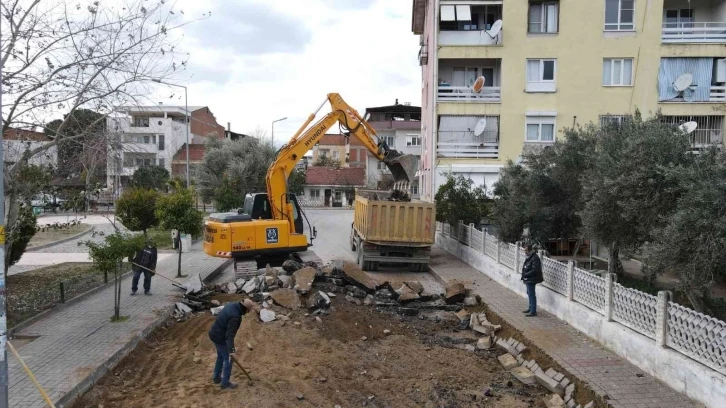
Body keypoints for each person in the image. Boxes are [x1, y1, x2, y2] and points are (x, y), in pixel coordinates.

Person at [208, 298, 257, 389]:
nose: (248, 312)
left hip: (214, 333)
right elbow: (229, 335)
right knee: (229, 359)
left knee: (221, 356)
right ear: (245, 308)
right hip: (220, 337)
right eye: (249, 310)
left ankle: (216, 377)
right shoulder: (235, 317)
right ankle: (225, 383)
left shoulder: (232, 305)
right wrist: (232, 350)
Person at [521, 244, 543, 317]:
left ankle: (533, 311)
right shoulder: (530, 257)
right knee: (529, 293)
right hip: (528, 278)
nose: (525, 252)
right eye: (525, 250)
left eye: (526, 250)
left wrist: (526, 274)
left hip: (532, 278)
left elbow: (535, 269)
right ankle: (530, 308)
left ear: (530, 250)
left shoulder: (534, 257)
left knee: (531, 294)